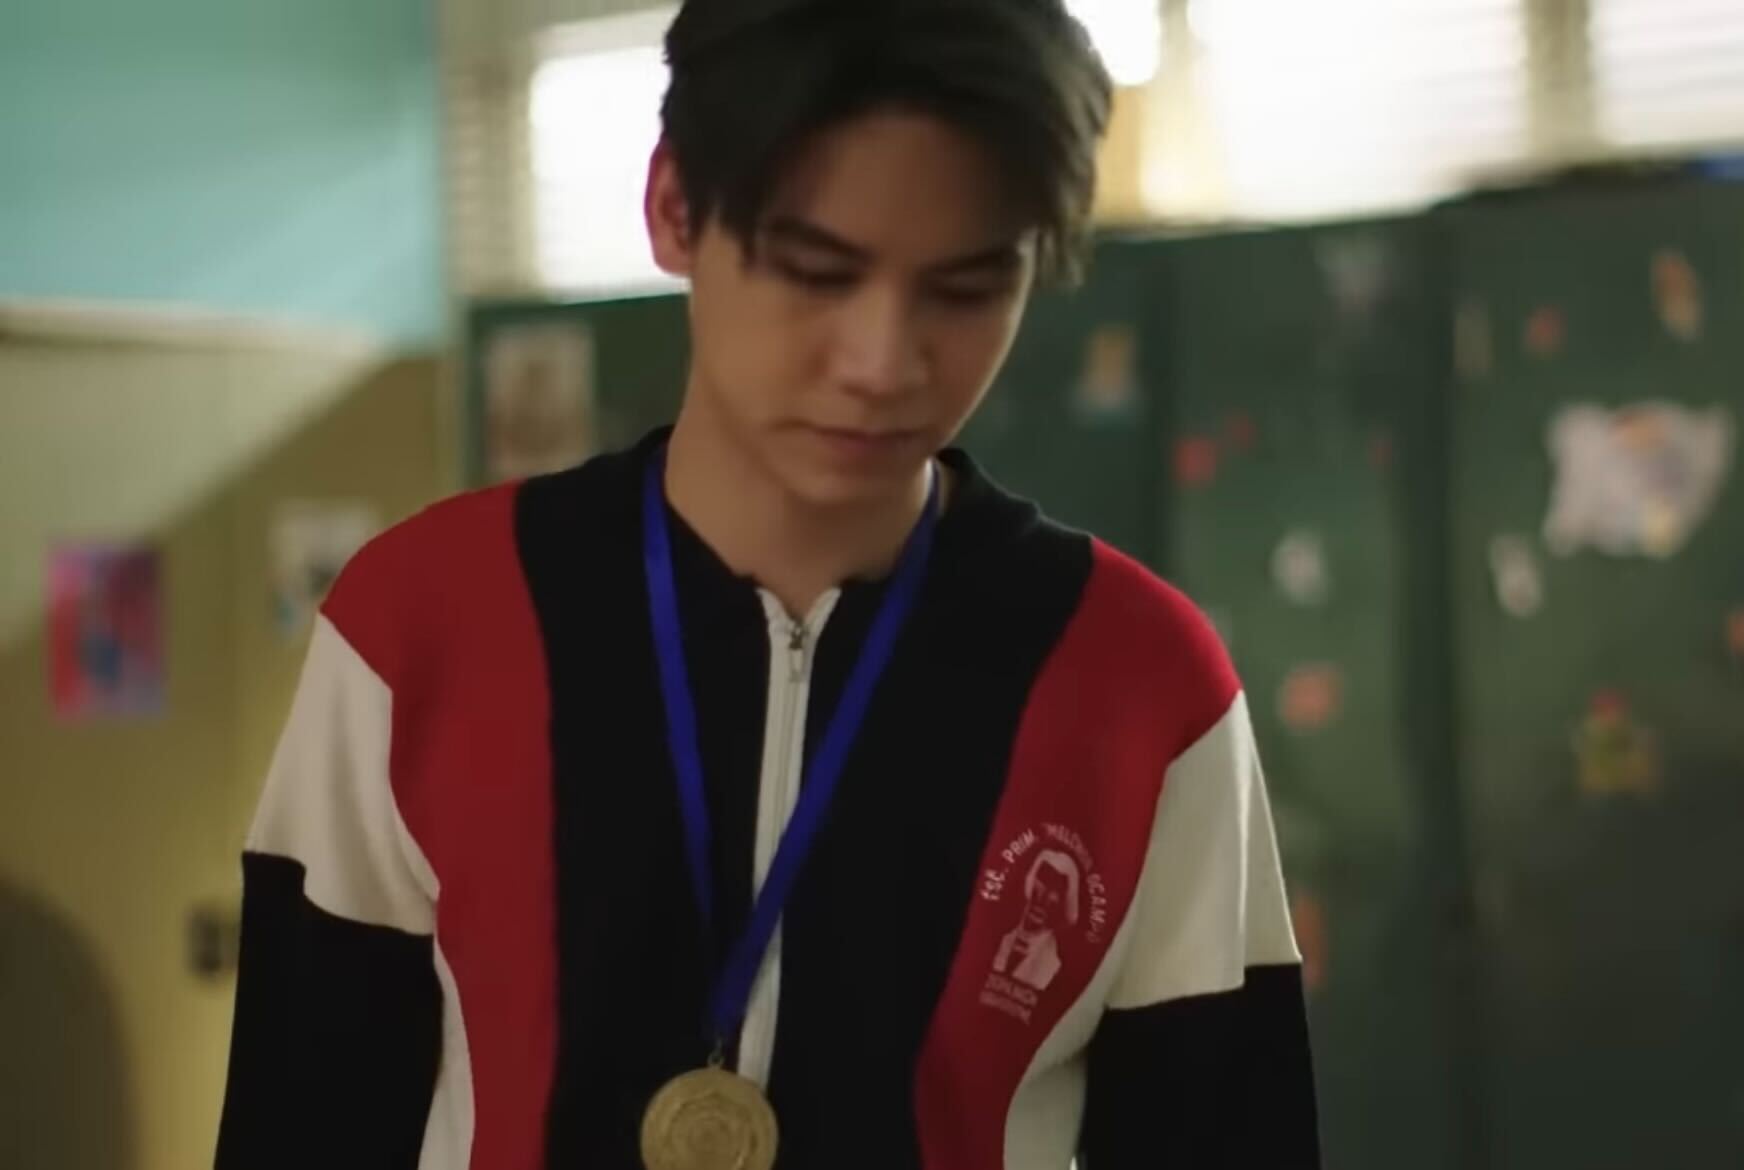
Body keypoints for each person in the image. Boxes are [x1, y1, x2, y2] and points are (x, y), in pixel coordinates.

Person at [214, 0, 1320, 1167]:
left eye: (964, 287)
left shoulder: (1140, 687)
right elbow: (304, 1127)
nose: (882, 361)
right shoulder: (422, 627)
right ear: (672, 208)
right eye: (816, 270)